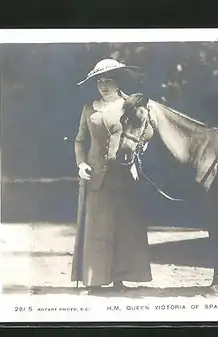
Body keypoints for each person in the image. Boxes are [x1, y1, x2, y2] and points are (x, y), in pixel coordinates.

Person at [70, 58, 152, 294]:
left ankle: (120, 279)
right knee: (97, 228)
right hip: (95, 176)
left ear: (118, 82)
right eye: (99, 81)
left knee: (123, 228)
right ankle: (94, 280)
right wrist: (81, 163)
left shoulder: (130, 106)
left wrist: (139, 151)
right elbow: (79, 140)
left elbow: (146, 130)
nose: (103, 86)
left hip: (124, 175)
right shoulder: (89, 108)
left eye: (108, 81)